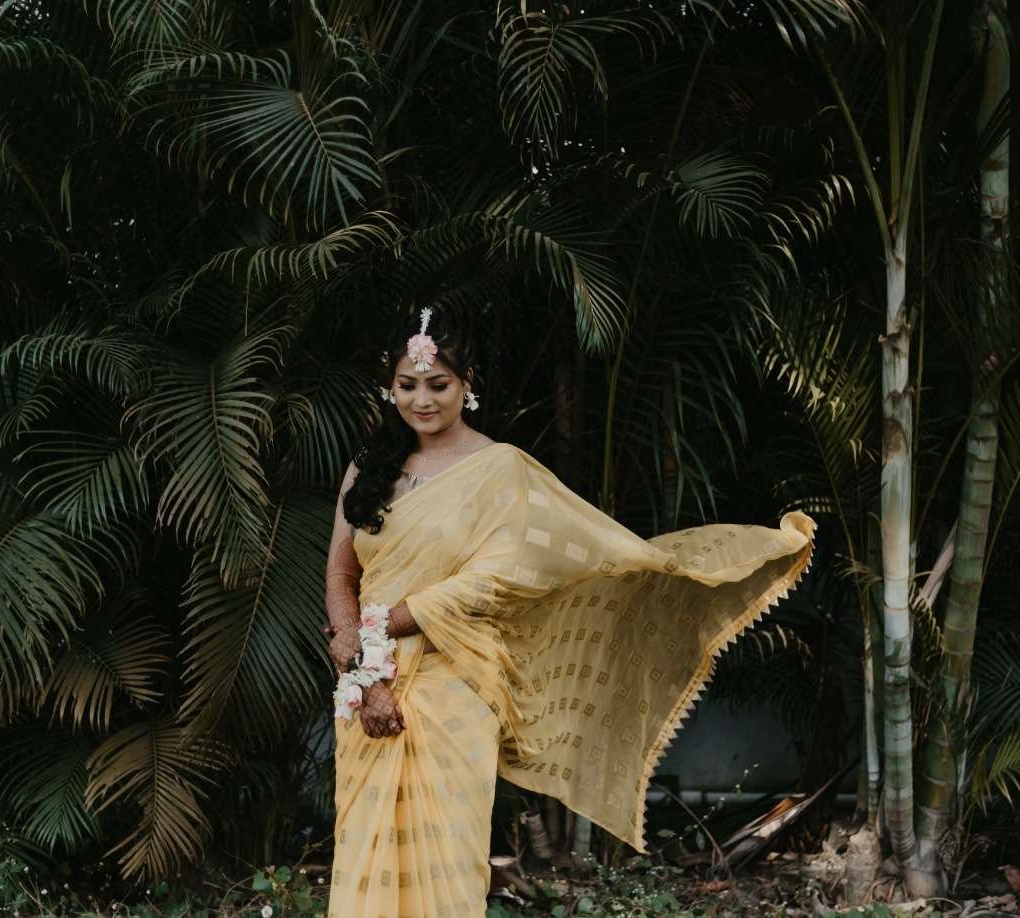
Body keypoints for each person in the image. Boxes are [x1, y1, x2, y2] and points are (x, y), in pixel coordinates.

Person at [323, 307, 816, 917]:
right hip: (363, 688)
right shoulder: (368, 467)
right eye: (408, 385)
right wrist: (357, 658)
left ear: (467, 384)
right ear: (390, 386)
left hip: (454, 686)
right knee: (365, 850)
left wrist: (375, 629)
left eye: (438, 384)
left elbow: (495, 582)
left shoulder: (499, 470)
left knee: (446, 856)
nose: (422, 400)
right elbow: (342, 574)